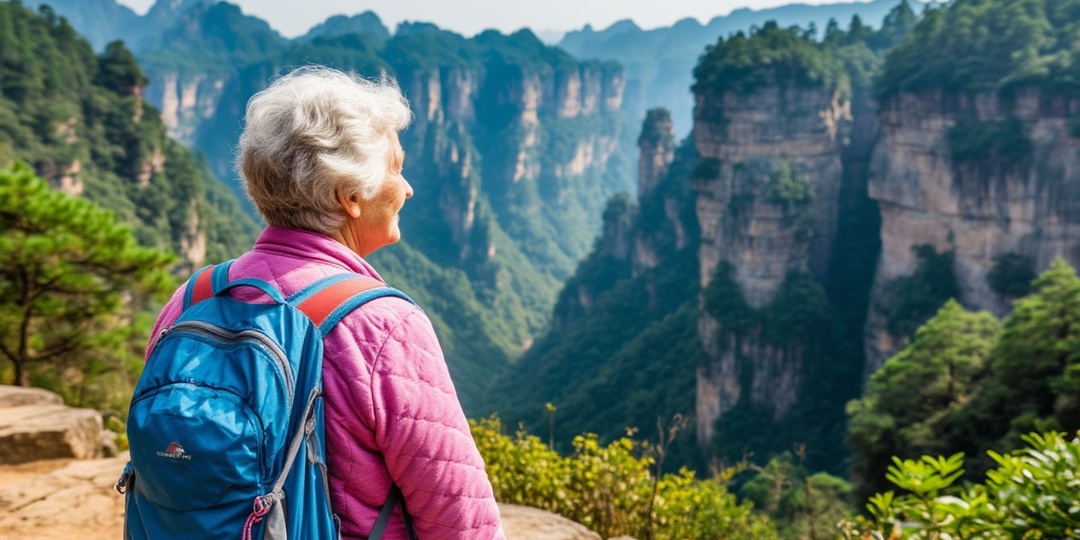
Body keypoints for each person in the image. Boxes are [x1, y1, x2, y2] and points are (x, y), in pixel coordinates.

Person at [146, 66, 506, 539]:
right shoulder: (384, 326)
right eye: (396, 168)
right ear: (350, 196)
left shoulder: (192, 299)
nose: (409, 188)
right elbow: (460, 519)